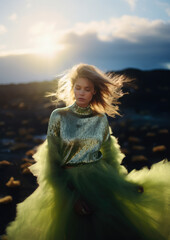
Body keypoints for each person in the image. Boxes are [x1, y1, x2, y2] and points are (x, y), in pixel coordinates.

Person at [4, 63, 170, 240]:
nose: (82, 93)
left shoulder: (100, 118)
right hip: (69, 186)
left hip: (102, 181)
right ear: (72, 89)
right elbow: (52, 163)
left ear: (94, 92)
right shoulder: (59, 116)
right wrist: (71, 198)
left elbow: (110, 156)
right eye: (78, 88)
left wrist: (122, 184)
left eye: (87, 89)